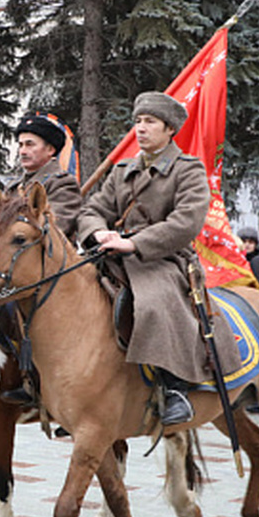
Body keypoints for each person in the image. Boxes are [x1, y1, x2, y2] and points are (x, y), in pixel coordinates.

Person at [77, 91, 223, 427]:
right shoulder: (122, 171)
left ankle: (174, 387)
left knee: (155, 302)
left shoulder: (187, 170)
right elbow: (93, 210)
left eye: (149, 122)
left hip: (165, 259)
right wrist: (98, 233)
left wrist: (135, 244)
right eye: (138, 121)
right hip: (112, 253)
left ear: (169, 128)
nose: (140, 129)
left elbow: (186, 222)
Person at [5, 112, 83, 240]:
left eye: (30, 144)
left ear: (50, 150)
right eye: (20, 145)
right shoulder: (13, 187)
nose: (23, 151)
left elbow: (55, 227)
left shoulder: (62, 184)